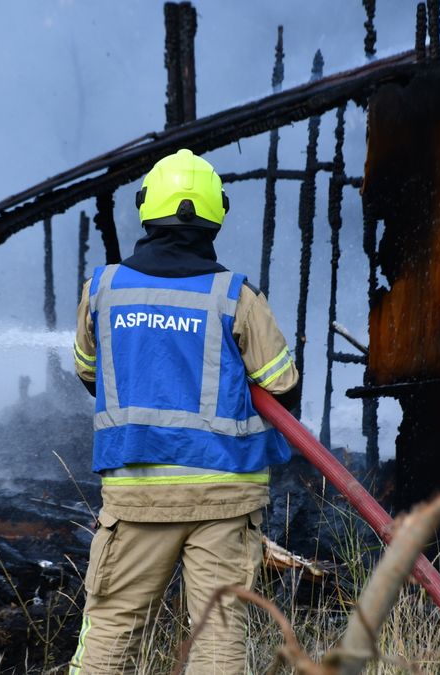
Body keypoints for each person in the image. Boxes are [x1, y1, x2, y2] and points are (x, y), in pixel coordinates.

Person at [69, 148, 300, 674]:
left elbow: (89, 372)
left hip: (136, 498)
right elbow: (282, 386)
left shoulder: (102, 289)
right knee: (218, 644)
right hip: (225, 496)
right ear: (215, 214)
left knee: (110, 632)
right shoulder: (235, 296)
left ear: (147, 209)